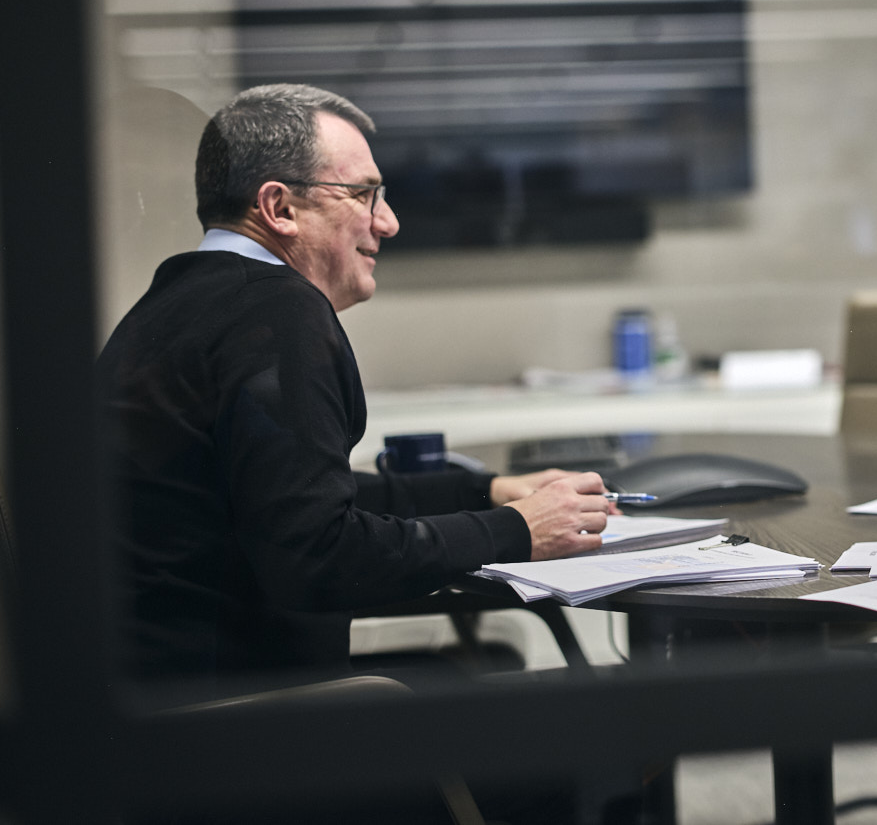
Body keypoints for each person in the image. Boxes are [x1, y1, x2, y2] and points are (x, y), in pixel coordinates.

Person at [99, 83, 611, 695]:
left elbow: (285, 499)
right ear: (279, 208)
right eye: (364, 194)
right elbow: (318, 553)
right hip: (243, 724)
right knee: (571, 719)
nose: (387, 222)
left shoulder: (174, 304)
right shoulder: (277, 312)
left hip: (154, 707)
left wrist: (487, 490)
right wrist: (517, 530)